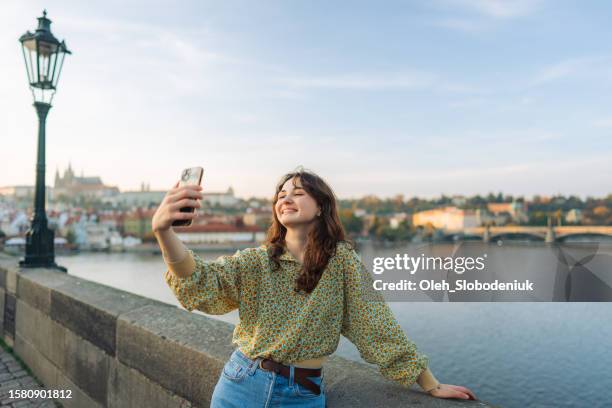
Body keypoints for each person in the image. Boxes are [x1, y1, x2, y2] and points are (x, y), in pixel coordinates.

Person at [152, 169, 477, 407]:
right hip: (241, 384)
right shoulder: (257, 261)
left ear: (321, 206)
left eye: (298, 192)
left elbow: (377, 326)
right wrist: (164, 232)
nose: (286, 198)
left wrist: (430, 385)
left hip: (301, 396)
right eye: (281, 195)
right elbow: (202, 283)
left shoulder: (341, 263)